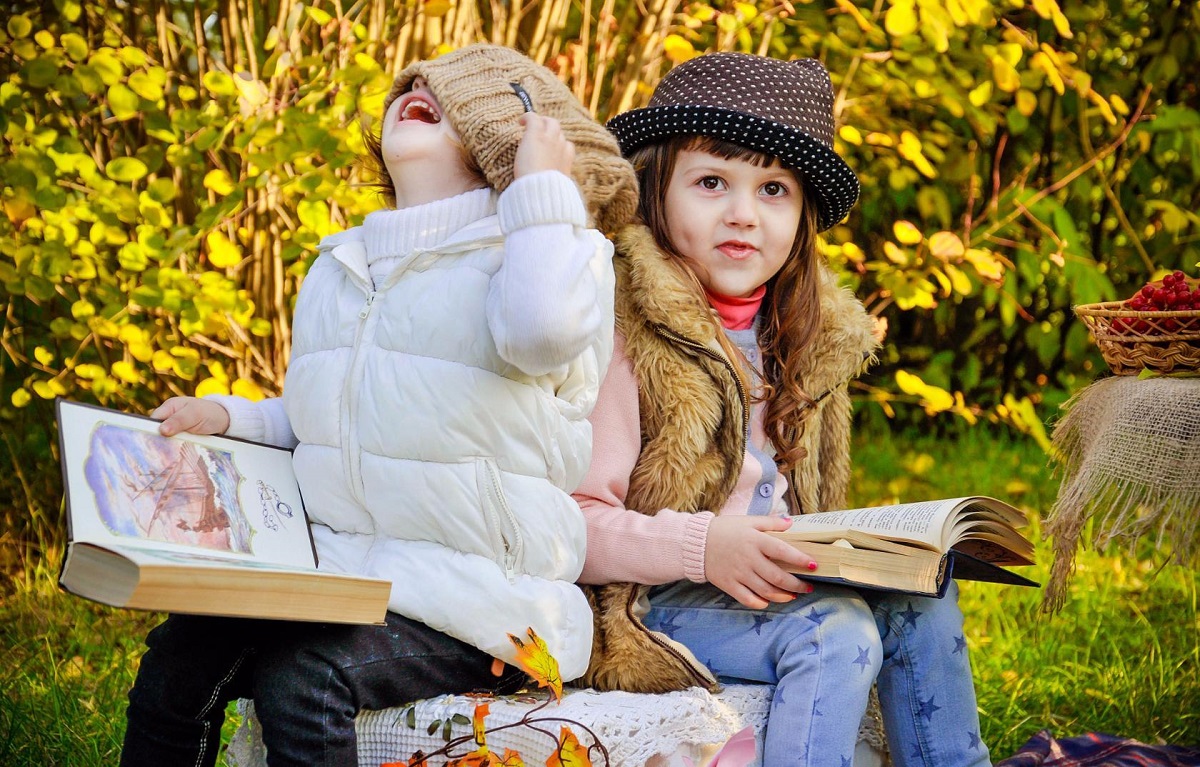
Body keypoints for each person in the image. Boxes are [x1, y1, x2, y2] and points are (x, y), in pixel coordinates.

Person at [119, 43, 638, 767]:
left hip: (480, 603)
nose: (418, 85)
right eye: (412, 85)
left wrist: (544, 194)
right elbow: (332, 416)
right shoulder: (341, 265)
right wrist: (232, 419)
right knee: (179, 658)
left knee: (302, 678)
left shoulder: (548, 254)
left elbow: (540, 332)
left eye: (456, 95)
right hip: (340, 582)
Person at [575, 52, 991, 766]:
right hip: (640, 604)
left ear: (802, 217)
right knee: (836, 632)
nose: (743, 214)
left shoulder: (810, 339)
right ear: (656, 188)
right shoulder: (625, 327)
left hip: (765, 587)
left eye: (774, 189)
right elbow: (574, 524)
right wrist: (705, 545)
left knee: (923, 596)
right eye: (712, 182)